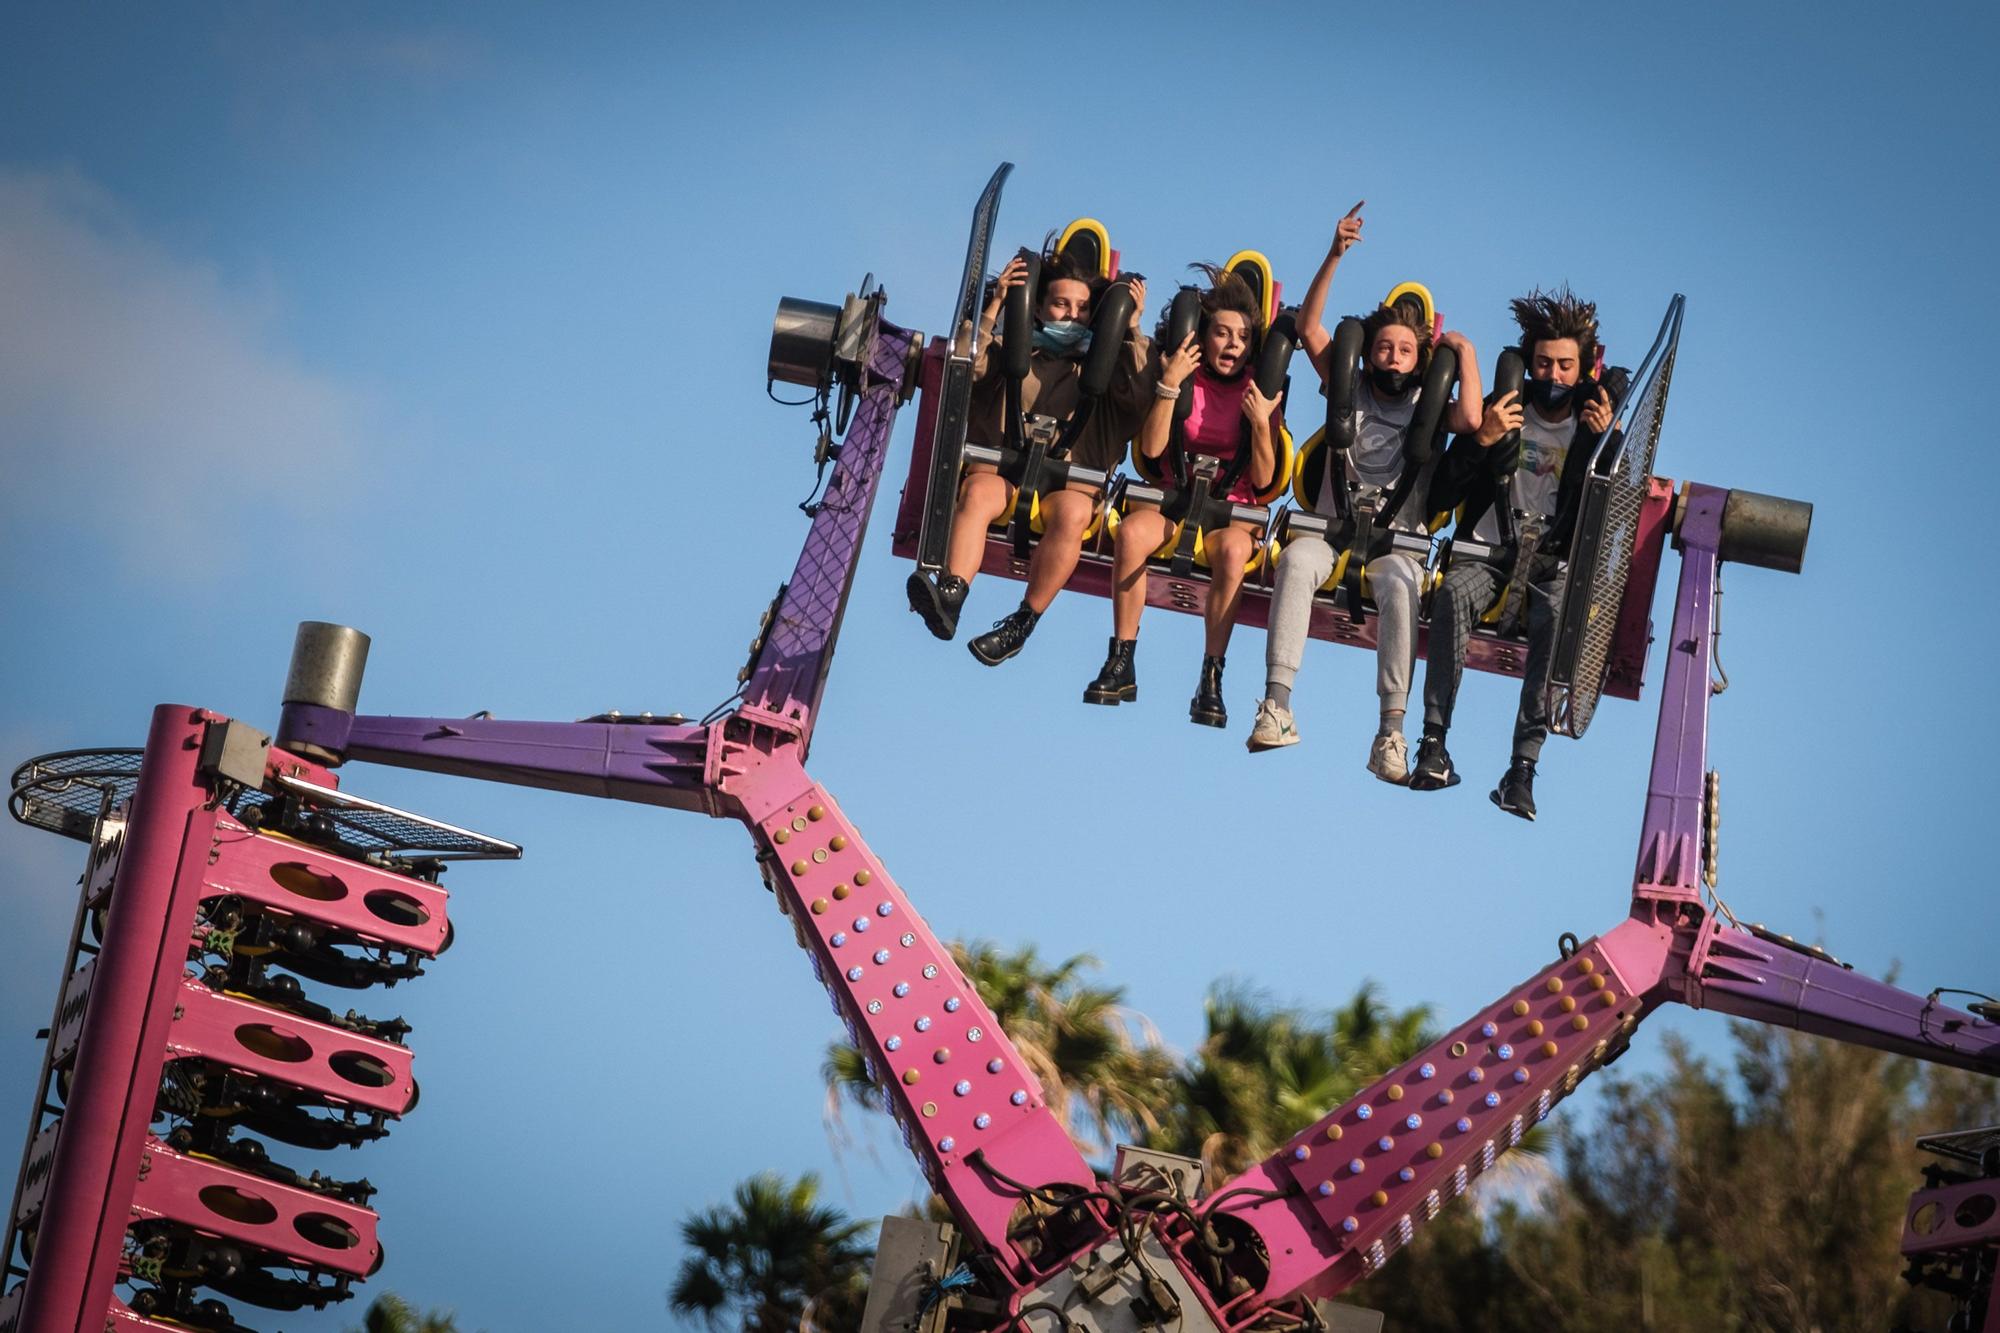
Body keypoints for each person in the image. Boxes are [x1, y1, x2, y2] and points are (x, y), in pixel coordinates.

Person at [1245, 204, 1482, 782]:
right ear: (1368, 352)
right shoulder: (1348, 388)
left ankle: (1391, 734)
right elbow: (1308, 327)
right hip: (1332, 530)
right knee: (1297, 561)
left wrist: (1466, 353)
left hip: (1397, 545)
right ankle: (1277, 705)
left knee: (1401, 587)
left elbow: (1473, 419)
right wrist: (1334, 254)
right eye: (1383, 348)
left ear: (1419, 359)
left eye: (1404, 351)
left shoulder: (1431, 409)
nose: (1392, 358)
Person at [1408, 286, 1616, 819]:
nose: (1553, 375)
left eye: (1565, 366)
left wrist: (1603, 444)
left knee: (1557, 613)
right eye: (1543, 363)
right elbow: (1442, 496)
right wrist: (1481, 441)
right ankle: (1434, 742)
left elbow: (1610, 517)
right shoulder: (1502, 411)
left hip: (1551, 562)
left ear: (1583, 368)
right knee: (1453, 595)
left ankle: (1522, 768)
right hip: (1487, 551)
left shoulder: (1595, 430)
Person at [905, 244, 1150, 665]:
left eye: (1082, 307)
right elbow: (967, 366)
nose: (1071, 315)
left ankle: (1022, 623)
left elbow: (1139, 399)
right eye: (1060, 304)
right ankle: (951, 592)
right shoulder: (1011, 350)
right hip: (1004, 475)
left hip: (1069, 488)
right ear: (1038, 309)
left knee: (1073, 513)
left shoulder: (1103, 370)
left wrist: (1129, 331)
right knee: (979, 492)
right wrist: (996, 306)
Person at [1083, 264, 1281, 727]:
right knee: (1131, 533)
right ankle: (1121, 661)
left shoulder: (1260, 387)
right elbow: (1150, 452)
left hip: (1233, 511)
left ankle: (1211, 677)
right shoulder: (1182, 371)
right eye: (1222, 333)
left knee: (1233, 551)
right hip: (1175, 498)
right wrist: (1170, 386)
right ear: (1203, 336)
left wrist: (1259, 422)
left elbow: (1268, 478)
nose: (1232, 344)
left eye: (1242, 337)